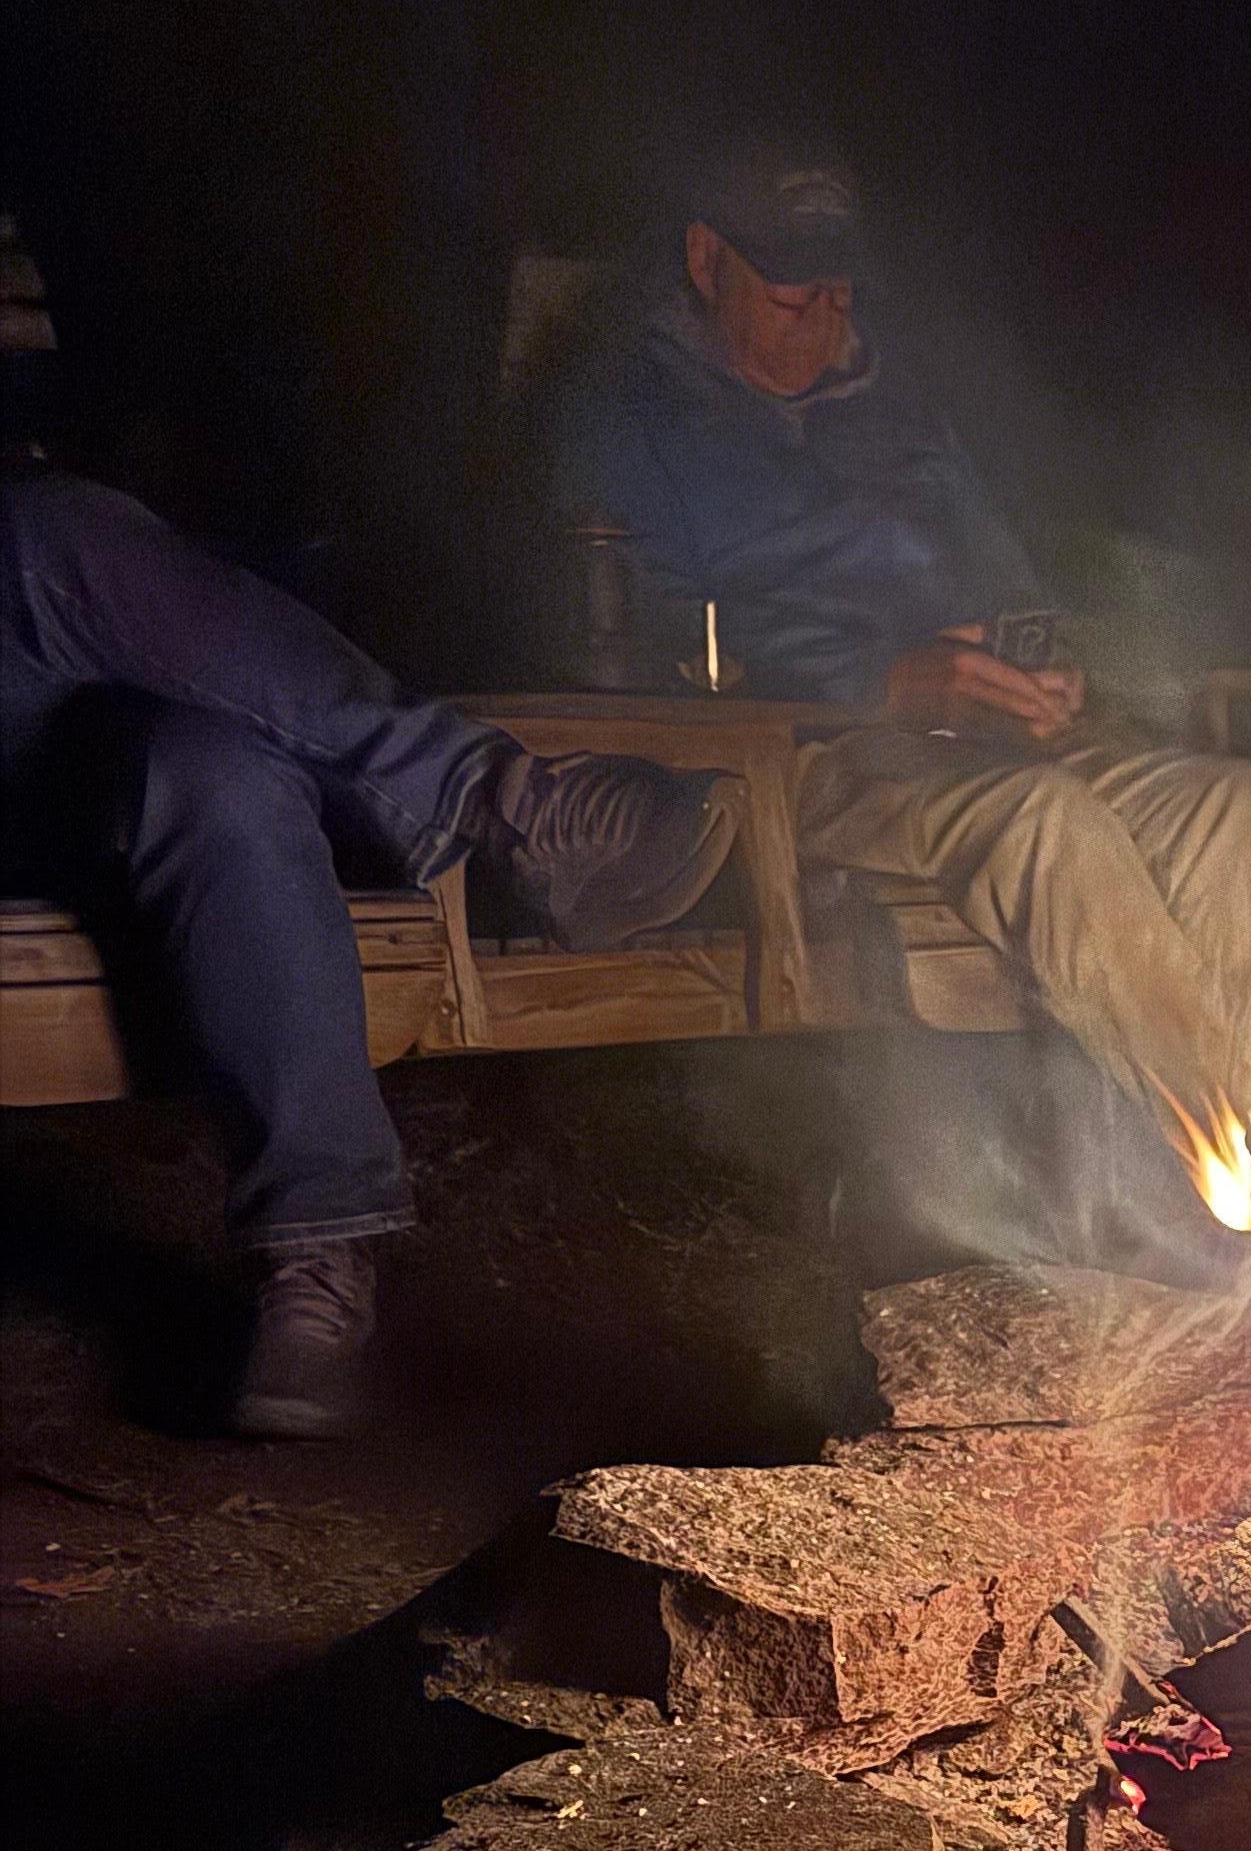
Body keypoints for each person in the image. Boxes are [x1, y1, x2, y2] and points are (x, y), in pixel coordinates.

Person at [551, 141, 1251, 1180]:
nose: (829, 321)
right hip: (799, 756)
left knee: (1226, 803)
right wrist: (880, 682)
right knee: (1047, 825)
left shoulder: (895, 407)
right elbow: (629, 643)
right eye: (797, 297)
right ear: (708, 261)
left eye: (842, 291)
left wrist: (1042, 661)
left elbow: (1004, 577)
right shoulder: (632, 416)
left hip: (976, 731)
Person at [0, 469, 730, 1438]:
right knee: (35, 529)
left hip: (59, 777)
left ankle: (314, 1257)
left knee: (213, 772)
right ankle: (496, 796)